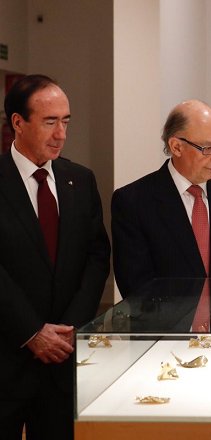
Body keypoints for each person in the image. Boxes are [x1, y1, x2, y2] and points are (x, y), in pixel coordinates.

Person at [0, 74, 111, 439]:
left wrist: (70, 328)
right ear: (18, 122)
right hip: (7, 355)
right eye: (50, 122)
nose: (61, 134)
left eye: (66, 121)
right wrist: (32, 331)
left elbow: (97, 256)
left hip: (63, 359)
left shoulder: (80, 180)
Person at [112, 100, 211, 298]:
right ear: (176, 147)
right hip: (164, 318)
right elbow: (136, 284)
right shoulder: (133, 201)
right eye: (208, 148)